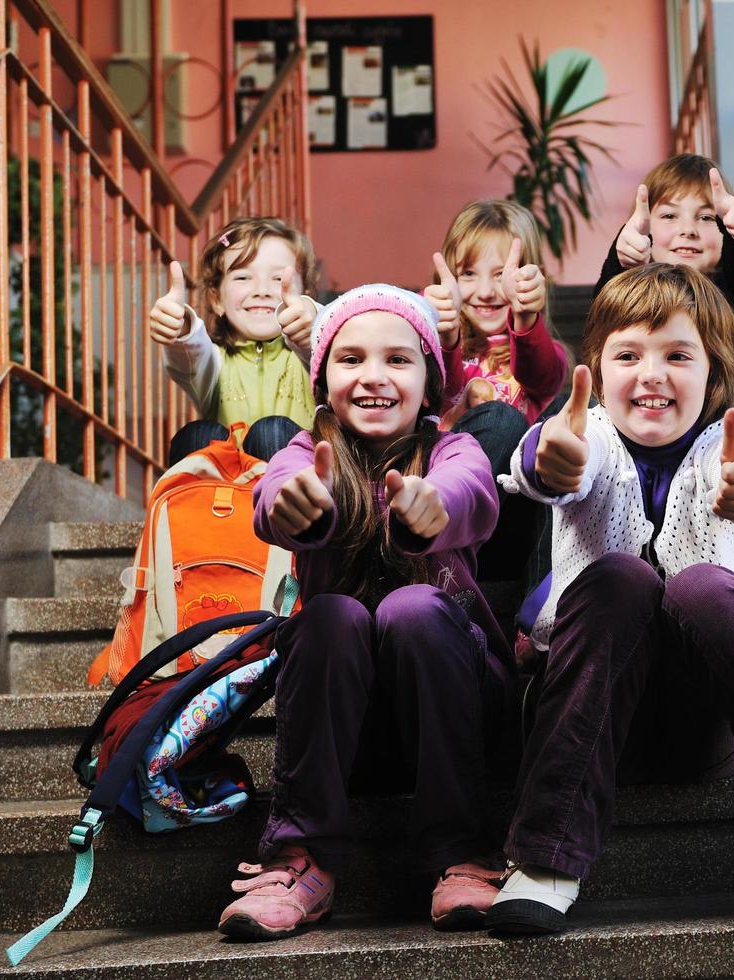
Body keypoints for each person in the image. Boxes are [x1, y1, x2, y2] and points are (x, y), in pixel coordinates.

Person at [488, 264, 734, 935]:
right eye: (628, 355)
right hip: (586, 717)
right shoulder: (587, 437)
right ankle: (545, 856)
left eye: (677, 355)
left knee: (703, 585)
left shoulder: (721, 447)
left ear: (714, 374)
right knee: (619, 577)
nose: (651, 374)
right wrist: (545, 460)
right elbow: (552, 460)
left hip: (708, 730)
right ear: (595, 370)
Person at [221, 285, 518, 939]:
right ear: (323, 380)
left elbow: (473, 494)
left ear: (431, 381)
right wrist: (298, 506)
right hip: (349, 729)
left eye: (398, 360)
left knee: (414, 607)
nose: (374, 376)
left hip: (459, 712)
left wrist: (429, 507)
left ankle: (464, 852)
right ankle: (301, 859)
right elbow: (275, 496)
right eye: (350, 359)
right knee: (328, 616)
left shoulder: (452, 451)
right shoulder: (306, 454)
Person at [596, 154, 734, 435]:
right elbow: (607, 307)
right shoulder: (632, 294)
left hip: (731, 460)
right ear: (644, 226)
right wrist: (622, 260)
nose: (688, 230)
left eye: (706, 217)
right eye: (669, 215)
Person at [148, 216, 323, 462]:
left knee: (271, 431)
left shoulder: (313, 357)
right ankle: (192, 499)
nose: (262, 290)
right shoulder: (215, 364)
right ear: (216, 299)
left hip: (295, 489)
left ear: (303, 293)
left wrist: (311, 320)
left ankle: (278, 498)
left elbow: (321, 349)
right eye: (243, 277)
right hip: (226, 493)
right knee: (198, 435)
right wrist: (181, 327)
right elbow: (192, 354)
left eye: (278, 279)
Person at [425, 199, 570, 477]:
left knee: (514, 418)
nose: (485, 291)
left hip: (515, 498)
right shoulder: (434, 341)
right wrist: (443, 330)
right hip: (447, 486)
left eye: (501, 274)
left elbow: (539, 372)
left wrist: (525, 315)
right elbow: (442, 386)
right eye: (468, 273)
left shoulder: (545, 354)